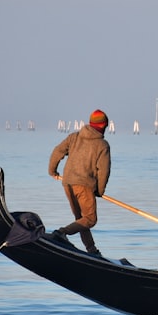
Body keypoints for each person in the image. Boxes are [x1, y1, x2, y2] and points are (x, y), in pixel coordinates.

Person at [48, 109, 112, 256]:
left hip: (68, 182)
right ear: (103, 126)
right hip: (84, 185)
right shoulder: (102, 145)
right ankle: (61, 232)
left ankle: (92, 250)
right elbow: (104, 171)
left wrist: (52, 170)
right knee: (90, 219)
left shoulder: (74, 137)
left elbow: (58, 151)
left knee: (81, 219)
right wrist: (100, 191)